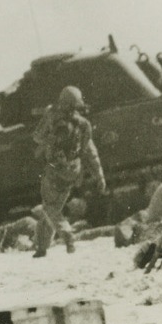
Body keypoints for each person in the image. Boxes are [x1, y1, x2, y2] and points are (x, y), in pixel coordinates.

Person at [32, 85, 106, 258]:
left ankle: (67, 233)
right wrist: (99, 175)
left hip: (55, 168)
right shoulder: (84, 124)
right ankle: (42, 248)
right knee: (54, 207)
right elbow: (90, 152)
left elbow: (36, 136)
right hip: (73, 170)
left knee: (49, 206)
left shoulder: (52, 116)